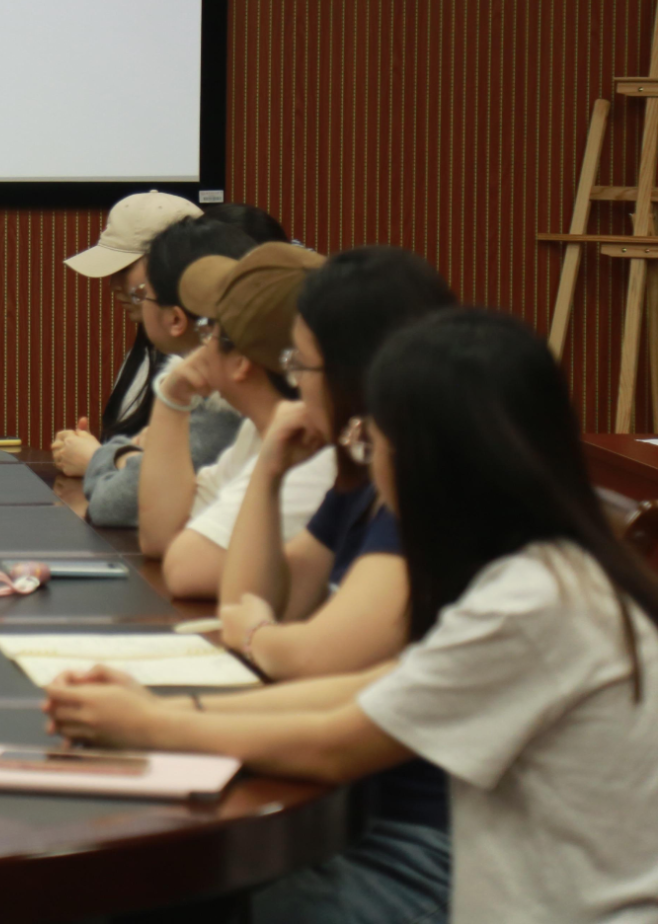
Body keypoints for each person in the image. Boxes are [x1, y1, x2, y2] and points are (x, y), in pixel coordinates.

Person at [45, 309, 658, 923]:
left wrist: (150, 724)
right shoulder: (549, 568)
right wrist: (162, 708)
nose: (369, 463)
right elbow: (369, 689)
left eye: (374, 442)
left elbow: (335, 745)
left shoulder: (533, 600)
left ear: (424, 454)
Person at [218, 248, 457, 679]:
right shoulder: (363, 481)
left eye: (301, 365)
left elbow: (311, 657)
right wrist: (268, 473)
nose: (296, 385)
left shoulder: (428, 490)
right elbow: (244, 606)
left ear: (353, 373)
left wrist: (257, 637)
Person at [136, 243, 336, 599]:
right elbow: (161, 535)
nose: (200, 345)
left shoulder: (314, 453)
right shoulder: (254, 431)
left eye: (210, 328)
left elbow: (185, 567)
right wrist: (172, 398)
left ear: (241, 361)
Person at [80, 218, 253, 527]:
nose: (116, 287)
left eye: (143, 295)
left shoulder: (225, 406)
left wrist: (116, 455)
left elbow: (111, 505)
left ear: (176, 319)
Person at [52, 191, 202, 478]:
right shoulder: (149, 348)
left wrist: (97, 459)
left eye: (125, 268)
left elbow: (184, 478)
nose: (114, 285)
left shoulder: (213, 369)